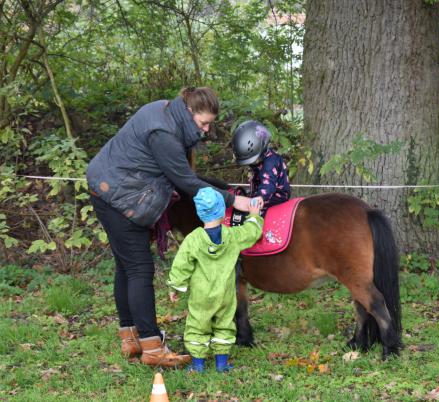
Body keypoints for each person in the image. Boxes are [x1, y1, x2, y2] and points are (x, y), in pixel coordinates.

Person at [86, 87, 252, 368]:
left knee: (126, 266)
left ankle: (130, 336)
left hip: (108, 186)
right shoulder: (164, 134)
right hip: (118, 196)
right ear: (189, 112)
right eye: (203, 123)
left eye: (209, 124)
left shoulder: (165, 111)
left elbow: (183, 175)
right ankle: (152, 347)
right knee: (139, 269)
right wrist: (235, 200)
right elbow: (186, 181)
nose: (206, 130)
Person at [167, 187, 263, 372]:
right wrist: (254, 214)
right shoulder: (232, 236)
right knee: (225, 325)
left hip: (201, 296)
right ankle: (222, 364)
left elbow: (181, 265)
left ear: (199, 212)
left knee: (197, 326)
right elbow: (252, 232)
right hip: (226, 295)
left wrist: (176, 287)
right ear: (222, 210)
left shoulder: (193, 240)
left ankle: (198, 365)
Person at [231, 120, 291, 215]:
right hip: (262, 189)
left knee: (254, 213)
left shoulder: (270, 163)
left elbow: (268, 185)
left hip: (275, 195)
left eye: (253, 160)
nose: (251, 164)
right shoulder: (261, 158)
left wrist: (259, 198)